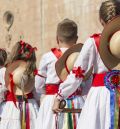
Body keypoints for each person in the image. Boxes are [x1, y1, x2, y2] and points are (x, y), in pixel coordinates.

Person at [52, 1, 120, 129]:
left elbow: (77, 74)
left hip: (100, 97)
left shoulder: (93, 42)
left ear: (101, 20)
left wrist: (60, 96)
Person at [35, 19, 85, 129]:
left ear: (57, 38)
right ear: (76, 39)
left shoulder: (47, 57)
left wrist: (50, 92)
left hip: (51, 102)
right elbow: (86, 84)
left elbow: (38, 85)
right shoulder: (81, 57)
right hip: (76, 101)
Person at [0, 41, 39, 129]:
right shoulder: (34, 72)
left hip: (12, 108)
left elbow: (1, 93)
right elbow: (37, 94)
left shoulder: (4, 72)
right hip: (31, 107)